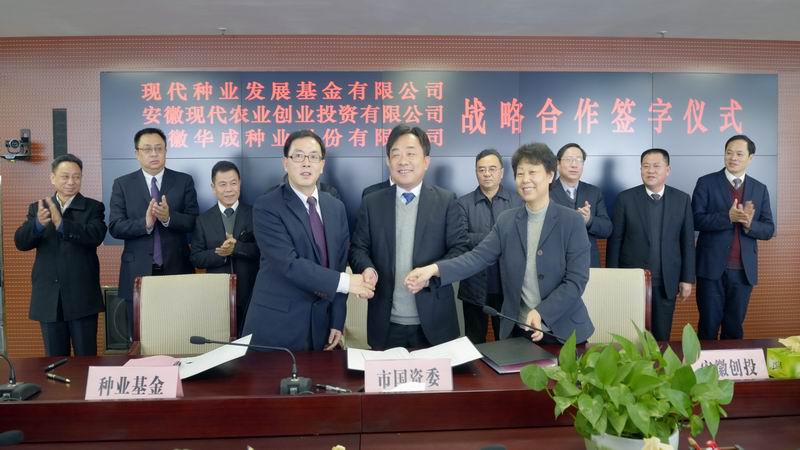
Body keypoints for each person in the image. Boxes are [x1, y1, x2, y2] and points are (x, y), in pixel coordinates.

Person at [405, 143, 593, 344]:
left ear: (549, 175)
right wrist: (434, 269)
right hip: (519, 331)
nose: (525, 179)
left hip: (564, 333)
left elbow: (576, 280)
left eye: (532, 172)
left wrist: (542, 312)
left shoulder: (571, 221)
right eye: (520, 173)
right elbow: (476, 258)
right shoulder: (507, 220)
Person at [242, 130, 375, 351]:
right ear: (285, 162)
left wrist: (337, 319)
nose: (306, 163)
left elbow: (339, 264)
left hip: (320, 325)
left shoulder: (336, 207)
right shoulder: (267, 206)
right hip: (276, 327)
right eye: (298, 156)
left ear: (322, 165)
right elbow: (288, 264)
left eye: (313, 156)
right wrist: (347, 282)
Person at [350, 124, 469, 350]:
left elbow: (460, 250)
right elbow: (358, 248)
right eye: (396, 154)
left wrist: (432, 272)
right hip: (385, 323)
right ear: (388, 161)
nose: (403, 161)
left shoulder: (446, 201)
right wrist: (367, 268)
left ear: (426, 161)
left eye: (411, 153)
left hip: (434, 322)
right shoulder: (372, 202)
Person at [108, 127, 199, 337]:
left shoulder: (184, 181)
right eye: (147, 149)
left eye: (159, 148)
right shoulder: (122, 184)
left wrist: (168, 218)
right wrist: (145, 223)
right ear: (137, 153)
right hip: (137, 271)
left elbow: (194, 221)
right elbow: (115, 226)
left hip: (177, 269)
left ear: (166, 151)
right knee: (141, 336)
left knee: (178, 333)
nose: (154, 154)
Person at [14, 154, 107, 356]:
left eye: (76, 177)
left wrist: (62, 224)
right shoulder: (38, 208)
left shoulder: (93, 207)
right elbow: (21, 242)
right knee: (55, 360)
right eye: (65, 176)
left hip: (82, 296)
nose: (71, 182)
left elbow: (96, 236)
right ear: (53, 178)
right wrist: (37, 225)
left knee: (86, 358)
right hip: (49, 298)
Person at [607, 148, 695, 341]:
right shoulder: (625, 198)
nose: (651, 171)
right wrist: (613, 277)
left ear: (667, 170)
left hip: (666, 281)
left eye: (656, 166)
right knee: (631, 336)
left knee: (661, 337)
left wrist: (687, 278)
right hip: (632, 281)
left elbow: (687, 243)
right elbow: (615, 242)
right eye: (646, 166)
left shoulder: (682, 199)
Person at [693, 135, 774, 340]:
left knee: (734, 327)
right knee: (708, 326)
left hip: (743, 271)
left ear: (750, 158)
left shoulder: (759, 188)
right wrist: (727, 217)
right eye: (729, 153)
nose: (733, 158)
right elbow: (695, 220)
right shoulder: (706, 182)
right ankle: (703, 362)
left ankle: (731, 362)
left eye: (739, 154)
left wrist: (749, 224)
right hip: (711, 269)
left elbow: (768, 229)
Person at [456, 148, 522, 344]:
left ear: (501, 172)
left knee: (508, 344)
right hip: (474, 285)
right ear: (476, 172)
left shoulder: (518, 201)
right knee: (474, 343)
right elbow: (460, 239)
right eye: (481, 169)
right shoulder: (463, 203)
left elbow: (522, 238)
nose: (487, 174)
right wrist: (498, 237)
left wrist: (483, 239)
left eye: (492, 169)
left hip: (508, 286)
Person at [190, 161, 259, 337]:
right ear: (213, 188)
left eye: (233, 183)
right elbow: (196, 257)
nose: (229, 189)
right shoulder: (202, 220)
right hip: (216, 294)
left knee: (249, 343)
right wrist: (222, 253)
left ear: (240, 184)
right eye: (222, 184)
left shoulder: (256, 214)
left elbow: (263, 251)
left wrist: (237, 248)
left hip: (251, 293)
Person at [549, 143, 612, 267]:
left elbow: (607, 229)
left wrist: (589, 220)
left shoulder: (594, 192)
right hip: (554, 262)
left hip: (587, 262)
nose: (574, 164)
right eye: (569, 159)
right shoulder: (546, 192)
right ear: (558, 164)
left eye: (579, 160)